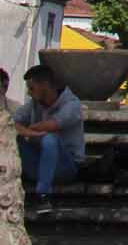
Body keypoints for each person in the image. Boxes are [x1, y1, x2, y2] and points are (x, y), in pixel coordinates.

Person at [12, 64, 84, 212]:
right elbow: (10, 123)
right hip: (38, 164)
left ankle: (43, 196)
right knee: (11, 138)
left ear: (44, 85)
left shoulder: (72, 105)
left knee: (50, 139)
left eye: (32, 88)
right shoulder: (33, 104)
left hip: (66, 167)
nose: (29, 93)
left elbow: (51, 125)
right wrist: (30, 133)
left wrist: (28, 130)